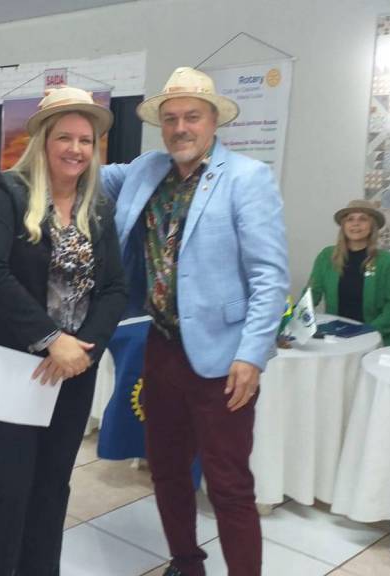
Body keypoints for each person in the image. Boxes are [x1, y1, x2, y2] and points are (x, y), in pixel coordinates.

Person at [102, 67, 289, 576]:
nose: (180, 128)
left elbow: (270, 276)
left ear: (213, 121)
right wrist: (57, 138)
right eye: (170, 119)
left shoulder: (247, 178)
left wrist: (252, 354)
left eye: (192, 117)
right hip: (161, 346)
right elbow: (83, 171)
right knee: (166, 469)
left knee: (228, 483)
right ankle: (187, 563)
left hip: (224, 356)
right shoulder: (146, 169)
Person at [0, 86, 127, 575]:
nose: (76, 149)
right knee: (10, 484)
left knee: (53, 484)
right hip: (12, 362)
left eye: (86, 140)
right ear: (44, 141)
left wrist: (84, 348)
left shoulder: (98, 207)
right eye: (65, 137)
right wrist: (52, 339)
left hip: (74, 367)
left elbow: (116, 287)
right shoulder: (7, 194)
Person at [306, 199, 390, 345]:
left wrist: (368, 331)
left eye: (363, 219)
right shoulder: (327, 256)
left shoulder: (386, 261)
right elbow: (311, 293)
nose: (355, 224)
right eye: (350, 219)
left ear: (372, 226)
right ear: (343, 226)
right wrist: (295, 319)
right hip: (334, 336)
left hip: (373, 337)